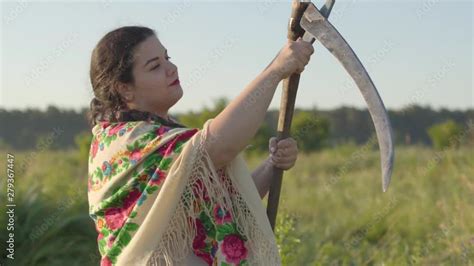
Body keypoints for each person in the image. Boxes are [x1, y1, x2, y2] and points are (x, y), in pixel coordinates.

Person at [87, 26, 313, 266]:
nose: (171, 69)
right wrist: (275, 70)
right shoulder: (124, 144)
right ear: (124, 88)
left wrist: (272, 165)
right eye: (155, 66)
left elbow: (223, 203)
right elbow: (218, 146)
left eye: (167, 58)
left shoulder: (168, 138)